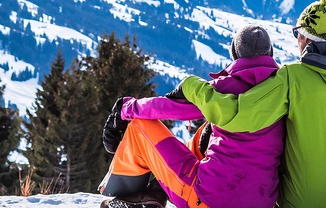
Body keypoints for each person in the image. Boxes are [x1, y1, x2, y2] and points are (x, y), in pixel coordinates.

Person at [178, 0, 326, 208]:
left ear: (304, 37)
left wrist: (191, 86)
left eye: (297, 34)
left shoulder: (292, 77)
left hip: (301, 203)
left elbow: (239, 115)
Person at [100, 25, 285, 208]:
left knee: (139, 127)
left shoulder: (222, 90)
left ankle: (122, 198)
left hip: (207, 201)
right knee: (206, 131)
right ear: (270, 54)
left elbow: (167, 107)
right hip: (263, 202)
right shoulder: (285, 94)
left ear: (235, 54)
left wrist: (125, 108)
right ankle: (154, 193)